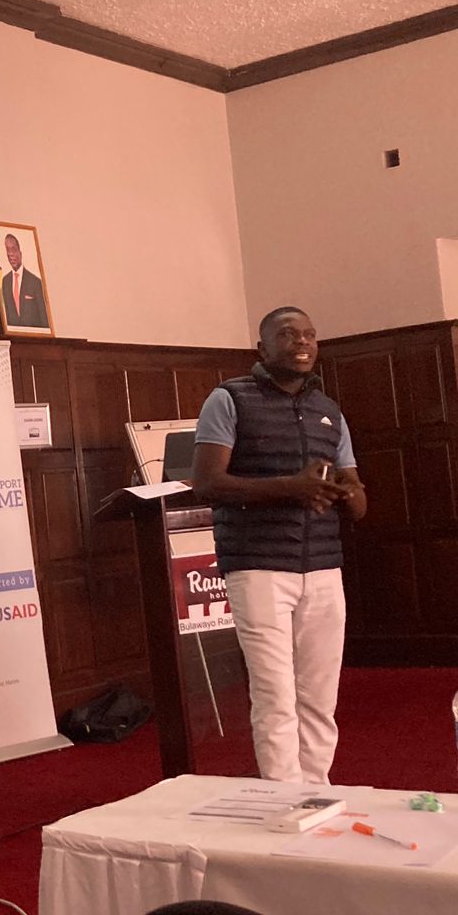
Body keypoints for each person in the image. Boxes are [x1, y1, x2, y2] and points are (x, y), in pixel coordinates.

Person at [191, 306, 367, 784]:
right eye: (288, 334)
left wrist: (347, 493)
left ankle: (317, 790)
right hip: (259, 566)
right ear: (262, 348)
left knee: (319, 696)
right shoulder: (229, 399)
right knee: (275, 694)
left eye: (309, 334)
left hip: (323, 567)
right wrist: (291, 487)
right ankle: (284, 799)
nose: (302, 342)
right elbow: (206, 483)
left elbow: (356, 496)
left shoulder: (329, 410)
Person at [0, 233, 49, 328]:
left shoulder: (35, 282)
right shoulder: (5, 282)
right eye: (8, 250)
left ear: (20, 253)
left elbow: (45, 321)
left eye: (13, 249)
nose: (10, 254)